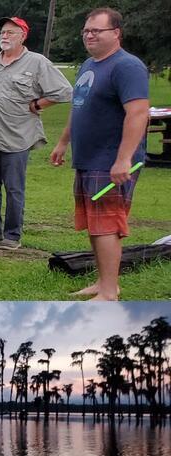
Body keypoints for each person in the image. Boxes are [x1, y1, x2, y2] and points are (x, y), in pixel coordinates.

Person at [50, 7, 149, 301]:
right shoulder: (89, 65)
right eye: (86, 31)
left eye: (97, 31)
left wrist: (124, 159)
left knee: (107, 225)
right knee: (95, 222)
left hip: (110, 161)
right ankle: (105, 282)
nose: (89, 35)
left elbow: (138, 112)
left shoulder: (127, 66)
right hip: (87, 158)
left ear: (116, 33)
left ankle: (108, 294)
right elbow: (79, 107)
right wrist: (63, 142)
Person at [0, 17, 72, 250]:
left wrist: (39, 105)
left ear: (23, 36)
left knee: (14, 188)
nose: (5, 36)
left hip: (16, 137)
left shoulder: (37, 62)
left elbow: (64, 91)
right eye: (3, 32)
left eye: (11, 33)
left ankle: (12, 236)